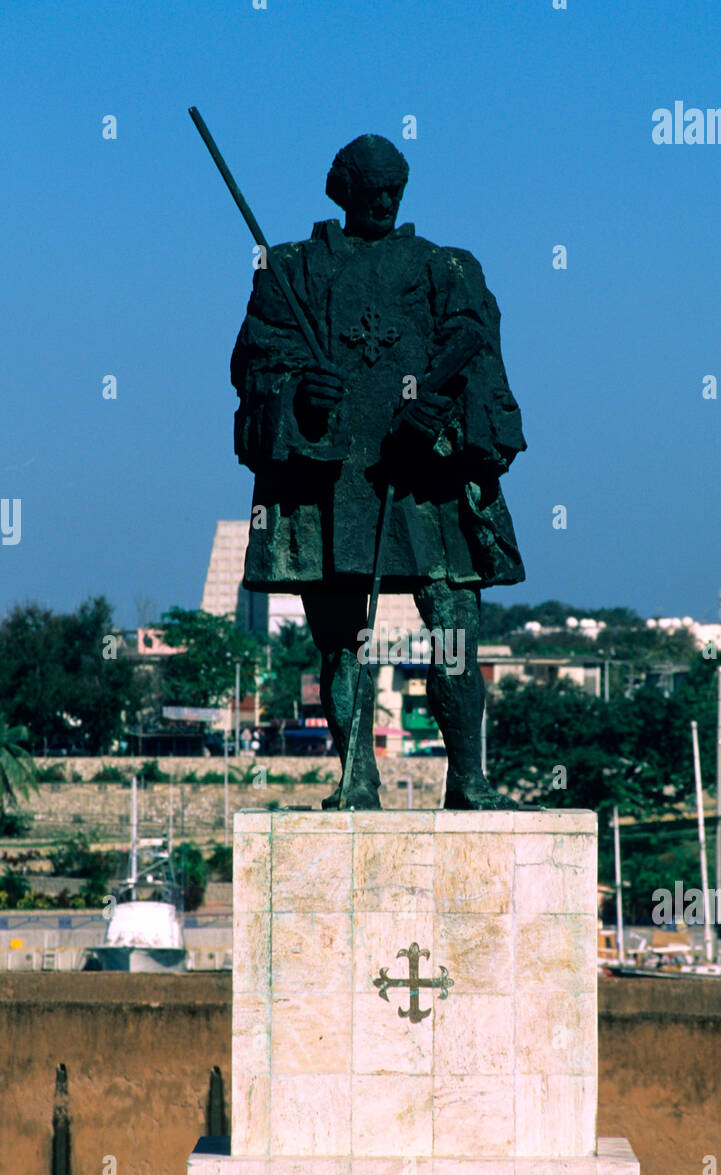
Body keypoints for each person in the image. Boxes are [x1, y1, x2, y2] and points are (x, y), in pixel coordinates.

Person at [231, 134, 527, 810]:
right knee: (342, 645)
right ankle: (355, 778)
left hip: (425, 481)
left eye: (394, 191)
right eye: (371, 192)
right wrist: (300, 393)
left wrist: (441, 420)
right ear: (342, 189)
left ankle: (468, 780)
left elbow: (483, 368)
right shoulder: (290, 272)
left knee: (454, 632)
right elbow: (251, 368)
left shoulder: (446, 268)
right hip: (329, 484)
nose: (385, 203)